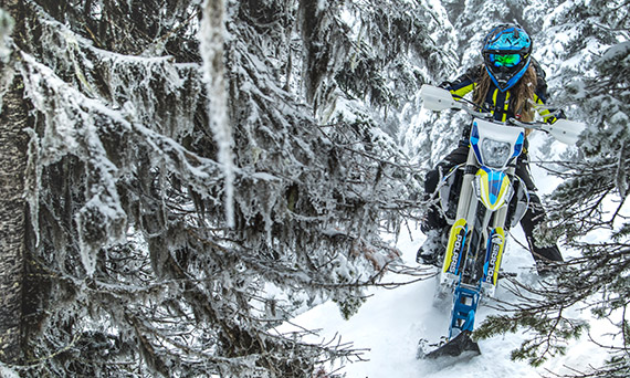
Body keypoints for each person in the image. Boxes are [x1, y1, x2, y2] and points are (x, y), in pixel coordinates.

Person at [417, 23, 563, 274]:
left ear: (523, 58)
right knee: (435, 177)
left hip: (514, 154)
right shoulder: (479, 74)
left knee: (531, 204)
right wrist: (441, 93)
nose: (503, 65)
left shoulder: (533, 83)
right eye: (497, 58)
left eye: (510, 58)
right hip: (474, 145)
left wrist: (558, 121)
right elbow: (455, 88)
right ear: (488, 57)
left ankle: (553, 268)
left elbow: (547, 109)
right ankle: (433, 236)